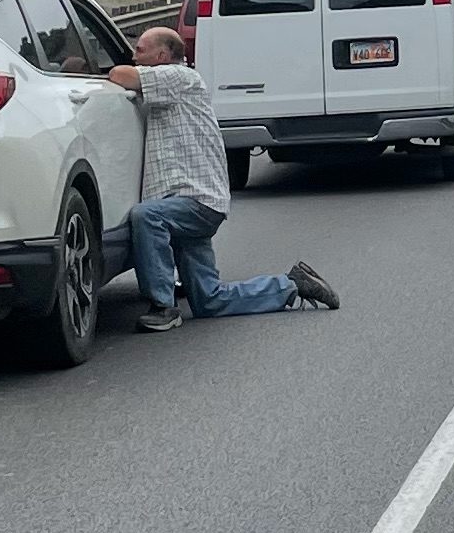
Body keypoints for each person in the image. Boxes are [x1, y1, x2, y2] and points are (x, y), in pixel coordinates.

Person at [107, 26, 337, 317]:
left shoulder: (180, 76)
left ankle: (162, 307)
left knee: (146, 216)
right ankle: (291, 285)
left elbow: (120, 76)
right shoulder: (169, 83)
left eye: (140, 50)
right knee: (209, 301)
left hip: (194, 201)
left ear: (162, 55)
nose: (133, 55)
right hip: (185, 203)